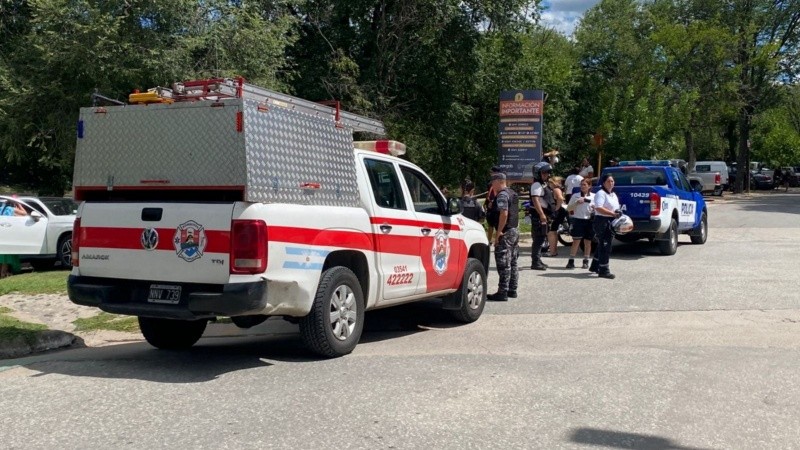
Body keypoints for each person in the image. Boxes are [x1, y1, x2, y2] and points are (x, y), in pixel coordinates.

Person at [486, 172, 519, 301]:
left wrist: (498, 232)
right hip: (514, 230)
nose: (492, 186)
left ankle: (502, 292)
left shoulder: (502, 195)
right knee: (513, 262)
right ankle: (512, 289)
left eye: (493, 183)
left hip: (505, 231)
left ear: (500, 181)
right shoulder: (512, 193)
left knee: (503, 262)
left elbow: (504, 214)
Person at [590, 174, 621, 279]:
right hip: (602, 221)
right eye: (608, 181)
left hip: (611, 221)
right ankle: (604, 270)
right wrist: (612, 214)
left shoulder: (613, 194)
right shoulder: (601, 193)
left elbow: (615, 208)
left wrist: (617, 213)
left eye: (612, 181)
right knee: (605, 246)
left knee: (602, 244)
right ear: (603, 183)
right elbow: (598, 208)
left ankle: (594, 266)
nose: (611, 183)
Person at [529, 162, 553, 270]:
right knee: (538, 238)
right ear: (538, 174)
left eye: (547, 172)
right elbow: (535, 200)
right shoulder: (536, 185)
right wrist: (542, 214)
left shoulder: (542, 184)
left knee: (541, 237)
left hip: (543, 215)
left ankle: (538, 259)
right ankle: (535, 262)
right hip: (539, 215)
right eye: (544, 173)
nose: (546, 174)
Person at [565, 178, 594, 269]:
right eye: (581, 184)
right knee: (576, 241)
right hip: (578, 220)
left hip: (589, 220)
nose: (582, 186)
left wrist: (594, 207)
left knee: (588, 242)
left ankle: (586, 261)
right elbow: (569, 208)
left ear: (589, 186)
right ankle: (571, 260)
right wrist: (577, 202)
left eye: (584, 185)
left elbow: (598, 208)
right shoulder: (575, 195)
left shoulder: (594, 196)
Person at [0, 200, 27, 278]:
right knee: (7, 255)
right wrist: (19, 204)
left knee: (1, 254)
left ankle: (1, 273)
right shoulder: (11, 209)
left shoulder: (0, 209)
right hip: (8, 234)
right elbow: (24, 213)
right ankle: (3, 273)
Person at [545, 176, 566, 257]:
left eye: (550, 182)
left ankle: (552, 252)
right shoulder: (559, 189)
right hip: (561, 211)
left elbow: (560, 199)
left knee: (551, 232)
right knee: (554, 231)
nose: (549, 184)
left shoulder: (555, 190)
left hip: (558, 211)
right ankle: (554, 251)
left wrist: (556, 209)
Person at [484, 165, 503, 244]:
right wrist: (485, 203)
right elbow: (488, 194)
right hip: (491, 205)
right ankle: (489, 241)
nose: (490, 173)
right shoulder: (490, 183)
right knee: (490, 224)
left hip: (495, 206)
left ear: (496, 173)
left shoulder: (498, 183)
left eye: (492, 172)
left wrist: (491, 201)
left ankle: (497, 240)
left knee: (497, 225)